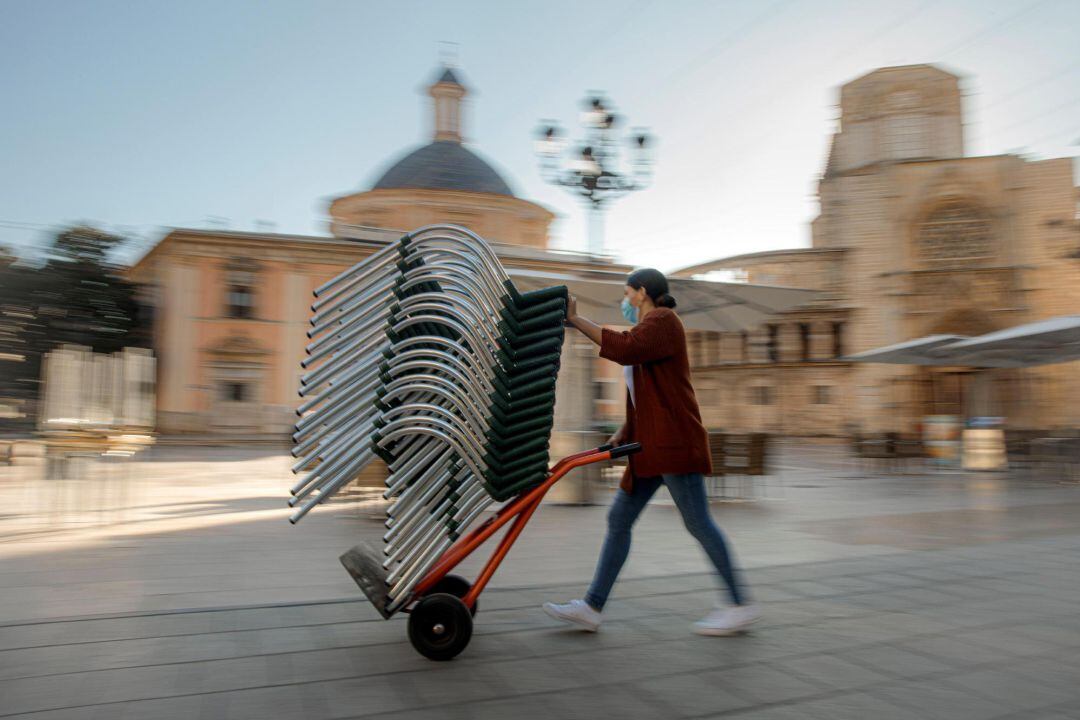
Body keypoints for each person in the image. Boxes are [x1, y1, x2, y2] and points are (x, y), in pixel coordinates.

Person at [543, 268, 759, 636]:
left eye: (628, 294)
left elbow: (627, 351)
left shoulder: (663, 320)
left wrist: (576, 318)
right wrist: (624, 432)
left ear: (642, 292)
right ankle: (592, 607)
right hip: (650, 448)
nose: (625, 301)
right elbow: (646, 393)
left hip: (673, 444)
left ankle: (739, 604)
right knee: (619, 520)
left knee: (698, 522)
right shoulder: (650, 329)